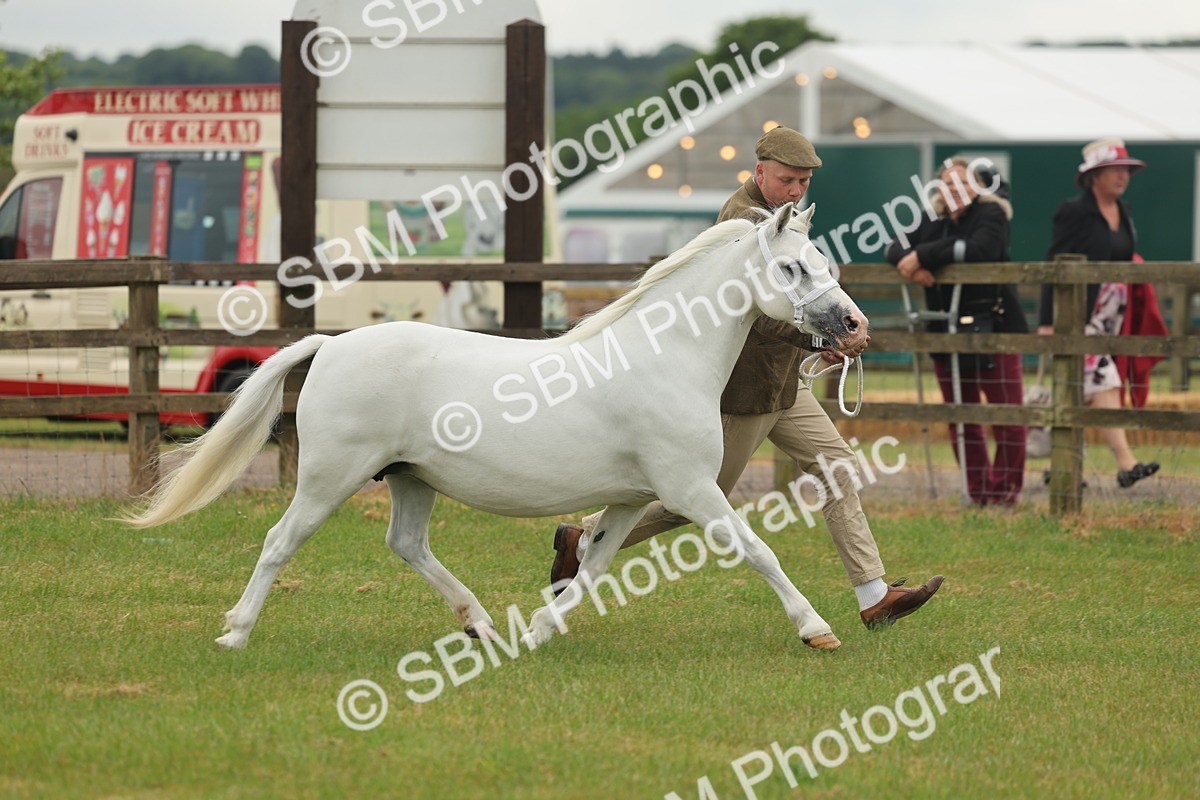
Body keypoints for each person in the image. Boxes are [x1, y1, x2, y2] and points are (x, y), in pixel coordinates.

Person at [549, 127, 943, 630]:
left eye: (803, 182)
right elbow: (758, 311)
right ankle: (584, 539)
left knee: (837, 468)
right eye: (787, 180)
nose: (797, 190)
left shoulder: (788, 219)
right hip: (741, 390)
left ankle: (874, 595)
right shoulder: (741, 222)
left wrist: (831, 329)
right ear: (760, 173)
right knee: (691, 498)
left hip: (783, 385)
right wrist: (826, 340)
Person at [886, 157, 1028, 506]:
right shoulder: (931, 218)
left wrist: (921, 256)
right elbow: (892, 247)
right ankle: (977, 493)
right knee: (961, 418)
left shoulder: (993, 214)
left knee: (1006, 415)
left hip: (996, 327)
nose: (955, 191)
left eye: (963, 184)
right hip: (944, 332)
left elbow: (980, 249)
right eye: (949, 185)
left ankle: (1005, 493)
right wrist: (914, 266)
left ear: (978, 188)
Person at [1038, 138, 1163, 489]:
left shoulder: (1124, 212)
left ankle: (1061, 467)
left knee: (1079, 389)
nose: (1122, 177)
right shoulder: (1073, 212)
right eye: (1114, 170)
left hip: (1113, 314)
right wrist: (1049, 322)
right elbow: (1054, 266)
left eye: (1126, 171)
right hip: (1078, 314)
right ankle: (1126, 462)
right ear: (1095, 176)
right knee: (1104, 379)